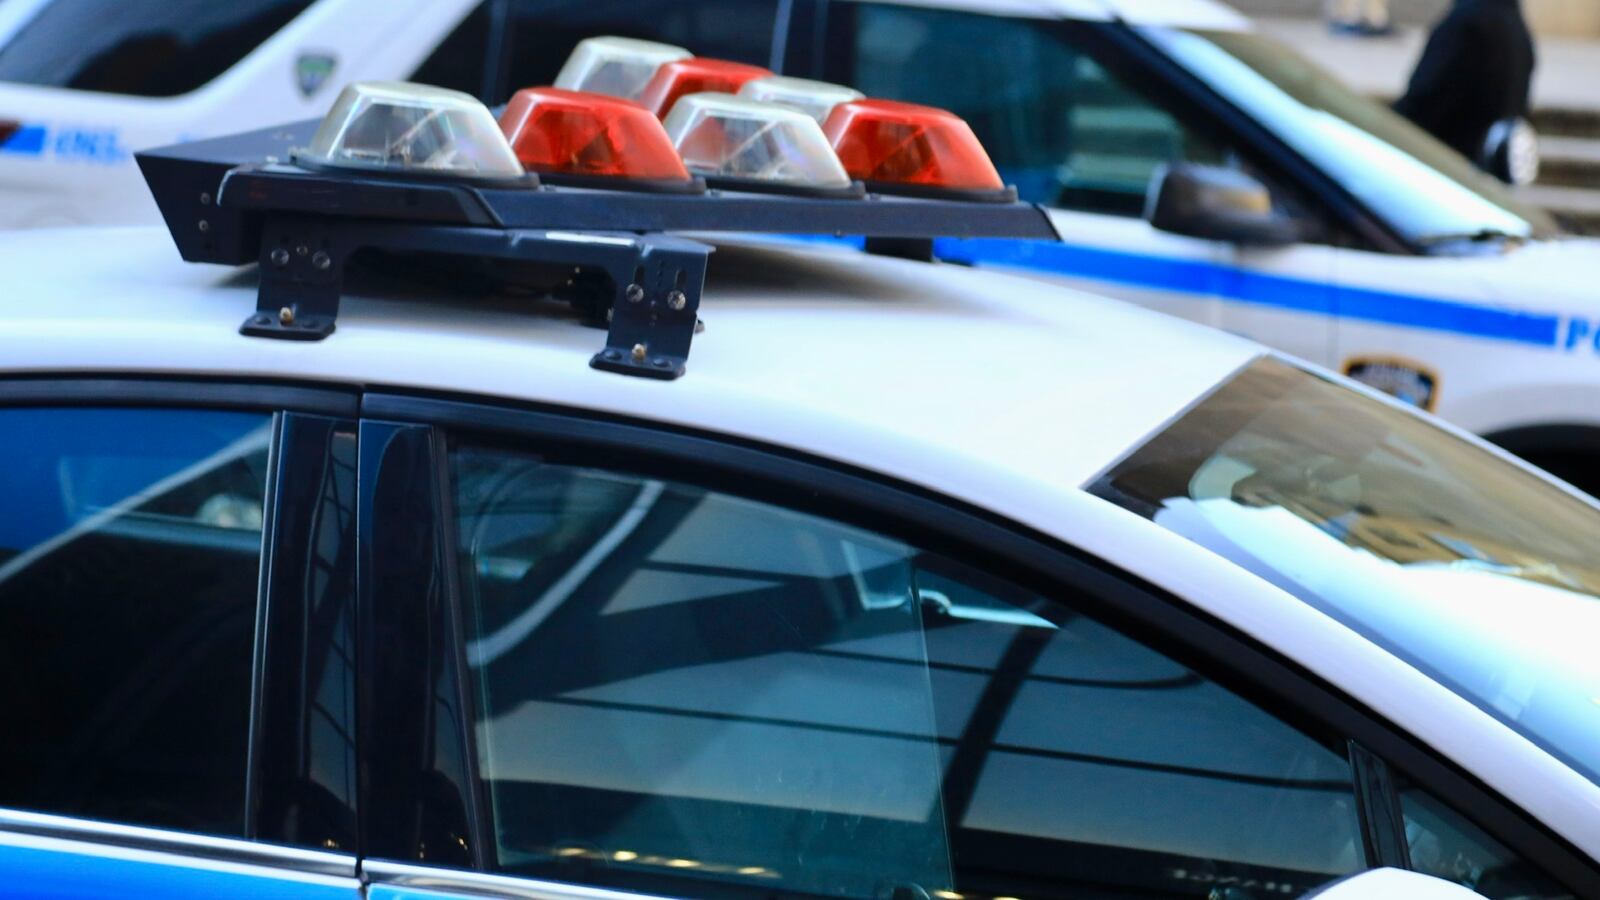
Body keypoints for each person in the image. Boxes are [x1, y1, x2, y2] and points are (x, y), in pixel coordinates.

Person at [1394, 0, 1536, 163]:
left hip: (1448, 161)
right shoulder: (1514, 25)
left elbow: (1422, 102)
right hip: (1479, 163)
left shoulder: (1468, 22)